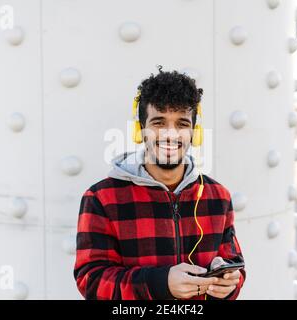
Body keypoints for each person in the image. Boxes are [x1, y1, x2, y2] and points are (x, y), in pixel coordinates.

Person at [74, 65, 246, 300]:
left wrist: (229, 284)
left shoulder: (218, 196)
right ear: (140, 130)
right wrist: (160, 284)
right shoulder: (101, 199)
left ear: (194, 133)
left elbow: (235, 265)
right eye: (158, 122)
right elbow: (91, 281)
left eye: (182, 124)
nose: (170, 134)